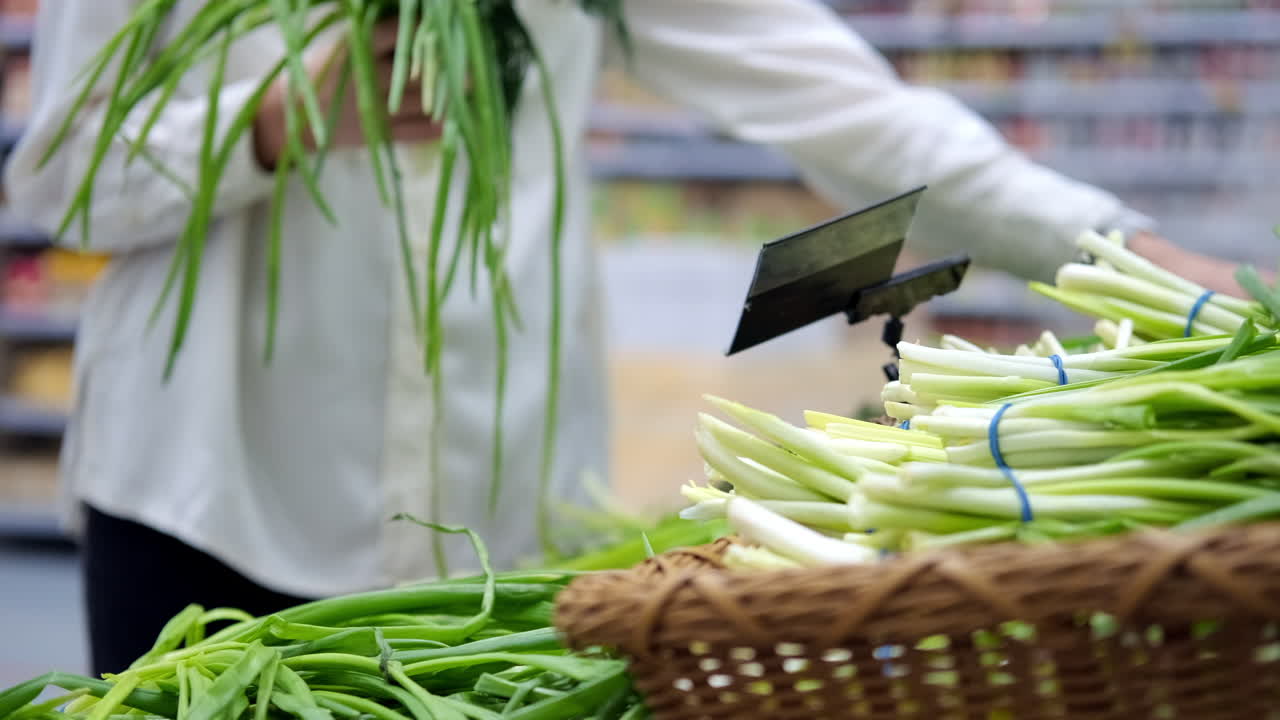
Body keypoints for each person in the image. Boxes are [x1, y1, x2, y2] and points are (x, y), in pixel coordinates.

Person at [5, 0, 1249, 675]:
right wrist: (273, 120)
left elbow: (853, 111)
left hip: (494, 524)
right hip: (208, 499)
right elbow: (54, 178)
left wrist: (1124, 249)